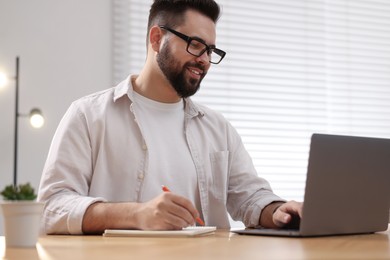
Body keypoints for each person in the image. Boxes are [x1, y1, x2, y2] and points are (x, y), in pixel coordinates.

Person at [37, 0, 303, 235]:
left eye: (210, 50)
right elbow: (51, 207)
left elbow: (250, 197)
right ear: (156, 39)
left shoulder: (219, 129)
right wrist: (136, 215)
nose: (205, 61)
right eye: (196, 45)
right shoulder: (88, 115)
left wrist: (279, 210)